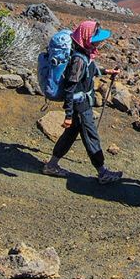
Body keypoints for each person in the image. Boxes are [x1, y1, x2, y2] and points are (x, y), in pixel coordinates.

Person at [41, 19, 123, 184]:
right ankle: (102, 172)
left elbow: (89, 70)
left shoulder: (83, 53)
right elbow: (70, 87)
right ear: (87, 37)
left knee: (70, 134)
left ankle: (51, 165)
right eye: (96, 38)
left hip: (80, 103)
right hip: (80, 106)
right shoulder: (79, 59)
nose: (100, 42)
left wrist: (106, 71)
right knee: (91, 137)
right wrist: (69, 115)